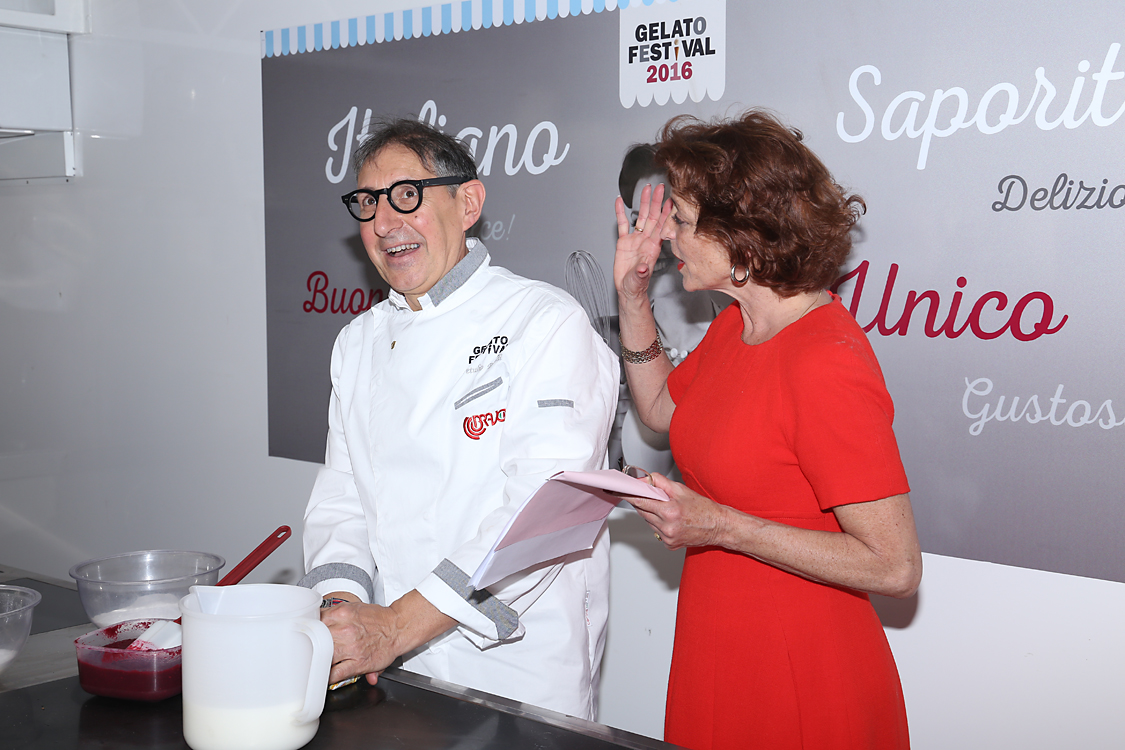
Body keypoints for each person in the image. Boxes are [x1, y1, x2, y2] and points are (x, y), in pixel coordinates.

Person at [613, 110, 922, 749]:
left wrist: (723, 526)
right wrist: (634, 296)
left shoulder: (825, 357)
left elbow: (895, 567)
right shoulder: (737, 325)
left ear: (744, 243)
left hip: (800, 669)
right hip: (719, 643)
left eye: (686, 223)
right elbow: (662, 413)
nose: (669, 237)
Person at [300, 118, 619, 720]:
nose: (385, 222)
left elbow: (542, 514)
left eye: (407, 196)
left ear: (467, 202)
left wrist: (396, 625)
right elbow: (341, 498)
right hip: (387, 665)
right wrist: (344, 610)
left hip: (512, 662)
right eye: (368, 204)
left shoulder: (543, 322)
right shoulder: (357, 342)